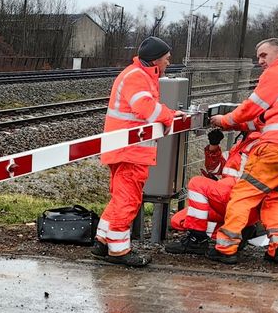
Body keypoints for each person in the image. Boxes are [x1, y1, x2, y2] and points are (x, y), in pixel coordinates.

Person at [209, 38, 278, 264]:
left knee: (243, 193)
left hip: (277, 147)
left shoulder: (277, 72)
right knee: (276, 197)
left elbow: (252, 107)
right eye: (258, 56)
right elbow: (267, 117)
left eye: (263, 55)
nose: (260, 61)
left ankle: (226, 248)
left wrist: (225, 121)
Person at [94, 36, 179, 267]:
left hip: (124, 149)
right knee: (128, 199)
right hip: (131, 151)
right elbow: (145, 108)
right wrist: (169, 115)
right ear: (155, 60)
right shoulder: (138, 77)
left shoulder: (138, 75)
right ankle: (119, 251)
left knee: (120, 197)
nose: (168, 64)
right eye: (167, 59)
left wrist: (167, 113)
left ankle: (102, 240)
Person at [164, 125, 266, 254]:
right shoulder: (242, 143)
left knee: (197, 183)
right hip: (228, 201)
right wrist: (214, 146)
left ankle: (197, 239)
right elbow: (217, 169)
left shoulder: (258, 143)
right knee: (178, 221)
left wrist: (220, 186)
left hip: (240, 202)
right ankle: (239, 233)